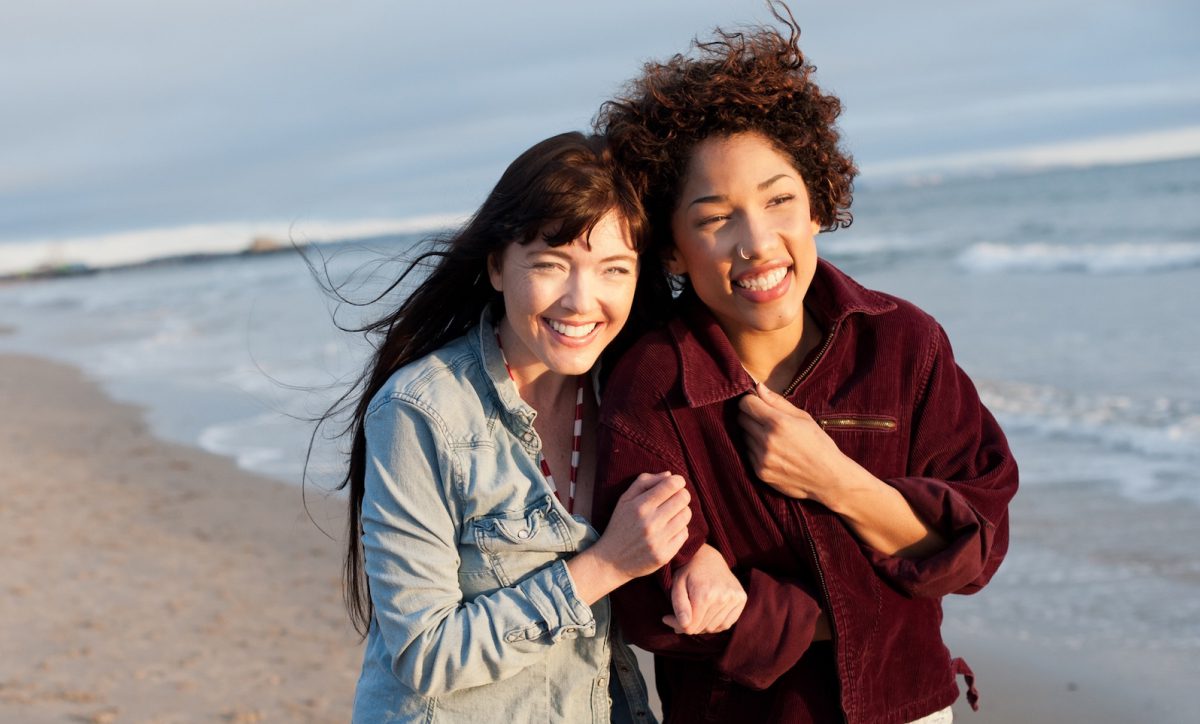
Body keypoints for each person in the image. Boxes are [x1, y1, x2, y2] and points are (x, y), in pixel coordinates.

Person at [591, 5, 1019, 723]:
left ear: (816, 203)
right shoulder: (651, 385)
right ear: (671, 249)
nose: (757, 241)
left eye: (779, 200)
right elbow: (646, 607)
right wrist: (846, 605)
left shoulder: (905, 343)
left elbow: (976, 546)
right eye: (713, 217)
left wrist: (834, 479)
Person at [329, 131, 736, 723]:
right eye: (551, 265)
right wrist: (606, 566)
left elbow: (665, 529)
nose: (581, 300)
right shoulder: (422, 411)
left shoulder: (633, 393)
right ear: (497, 265)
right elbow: (425, 653)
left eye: (613, 269)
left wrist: (701, 555)